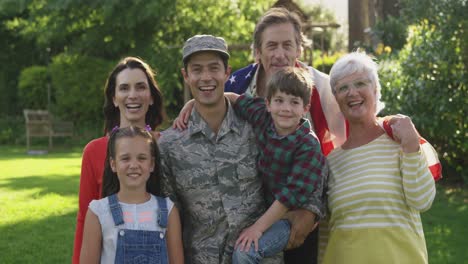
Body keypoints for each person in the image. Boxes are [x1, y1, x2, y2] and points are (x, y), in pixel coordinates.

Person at [175, 67, 328, 264]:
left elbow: (288, 197)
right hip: (267, 209)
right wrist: (192, 103)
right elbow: (231, 97)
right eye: (279, 100)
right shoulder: (263, 117)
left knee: (246, 252)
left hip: (291, 217)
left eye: (294, 102)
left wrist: (258, 228)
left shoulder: (307, 145)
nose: (286, 109)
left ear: (305, 108)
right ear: (268, 103)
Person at [224, 7, 337, 263]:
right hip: (248, 208)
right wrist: (190, 105)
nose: (279, 54)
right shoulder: (241, 85)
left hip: (296, 213)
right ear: (257, 51)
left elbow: (349, 134)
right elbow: (220, 100)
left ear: (299, 49)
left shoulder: (318, 87)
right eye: (271, 45)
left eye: (287, 45)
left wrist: (312, 211)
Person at [159, 34, 283, 263]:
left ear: (227, 72)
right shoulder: (169, 145)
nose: (206, 77)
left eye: (214, 68)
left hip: (259, 256)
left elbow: (295, 161)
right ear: (186, 76)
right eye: (197, 70)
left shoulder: (257, 128)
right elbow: (169, 216)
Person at [321, 51, 437, 263]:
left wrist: (411, 147)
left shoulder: (400, 142)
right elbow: (326, 233)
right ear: (336, 99)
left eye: (360, 83)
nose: (352, 93)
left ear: (375, 89)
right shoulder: (331, 161)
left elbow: (422, 200)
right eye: (343, 88)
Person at [72, 57, 165, 264]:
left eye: (140, 87)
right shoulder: (94, 151)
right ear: (114, 98)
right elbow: (83, 218)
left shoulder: (168, 145)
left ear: (151, 97)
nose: (132, 95)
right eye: (124, 88)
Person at [79, 126, 183, 264]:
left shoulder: (169, 211)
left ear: (151, 164)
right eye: (125, 158)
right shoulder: (98, 212)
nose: (134, 165)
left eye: (141, 158)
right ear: (113, 164)